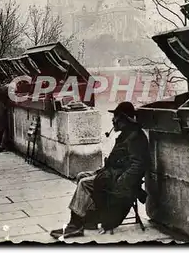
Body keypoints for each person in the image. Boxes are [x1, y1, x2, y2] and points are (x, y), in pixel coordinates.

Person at [49, 101, 150, 239]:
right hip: (113, 174)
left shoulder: (135, 138)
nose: (113, 120)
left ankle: (75, 225)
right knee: (81, 176)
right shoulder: (126, 135)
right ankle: (89, 218)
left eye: (116, 117)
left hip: (120, 182)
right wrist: (102, 171)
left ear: (124, 119)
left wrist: (121, 182)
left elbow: (137, 166)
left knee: (85, 183)